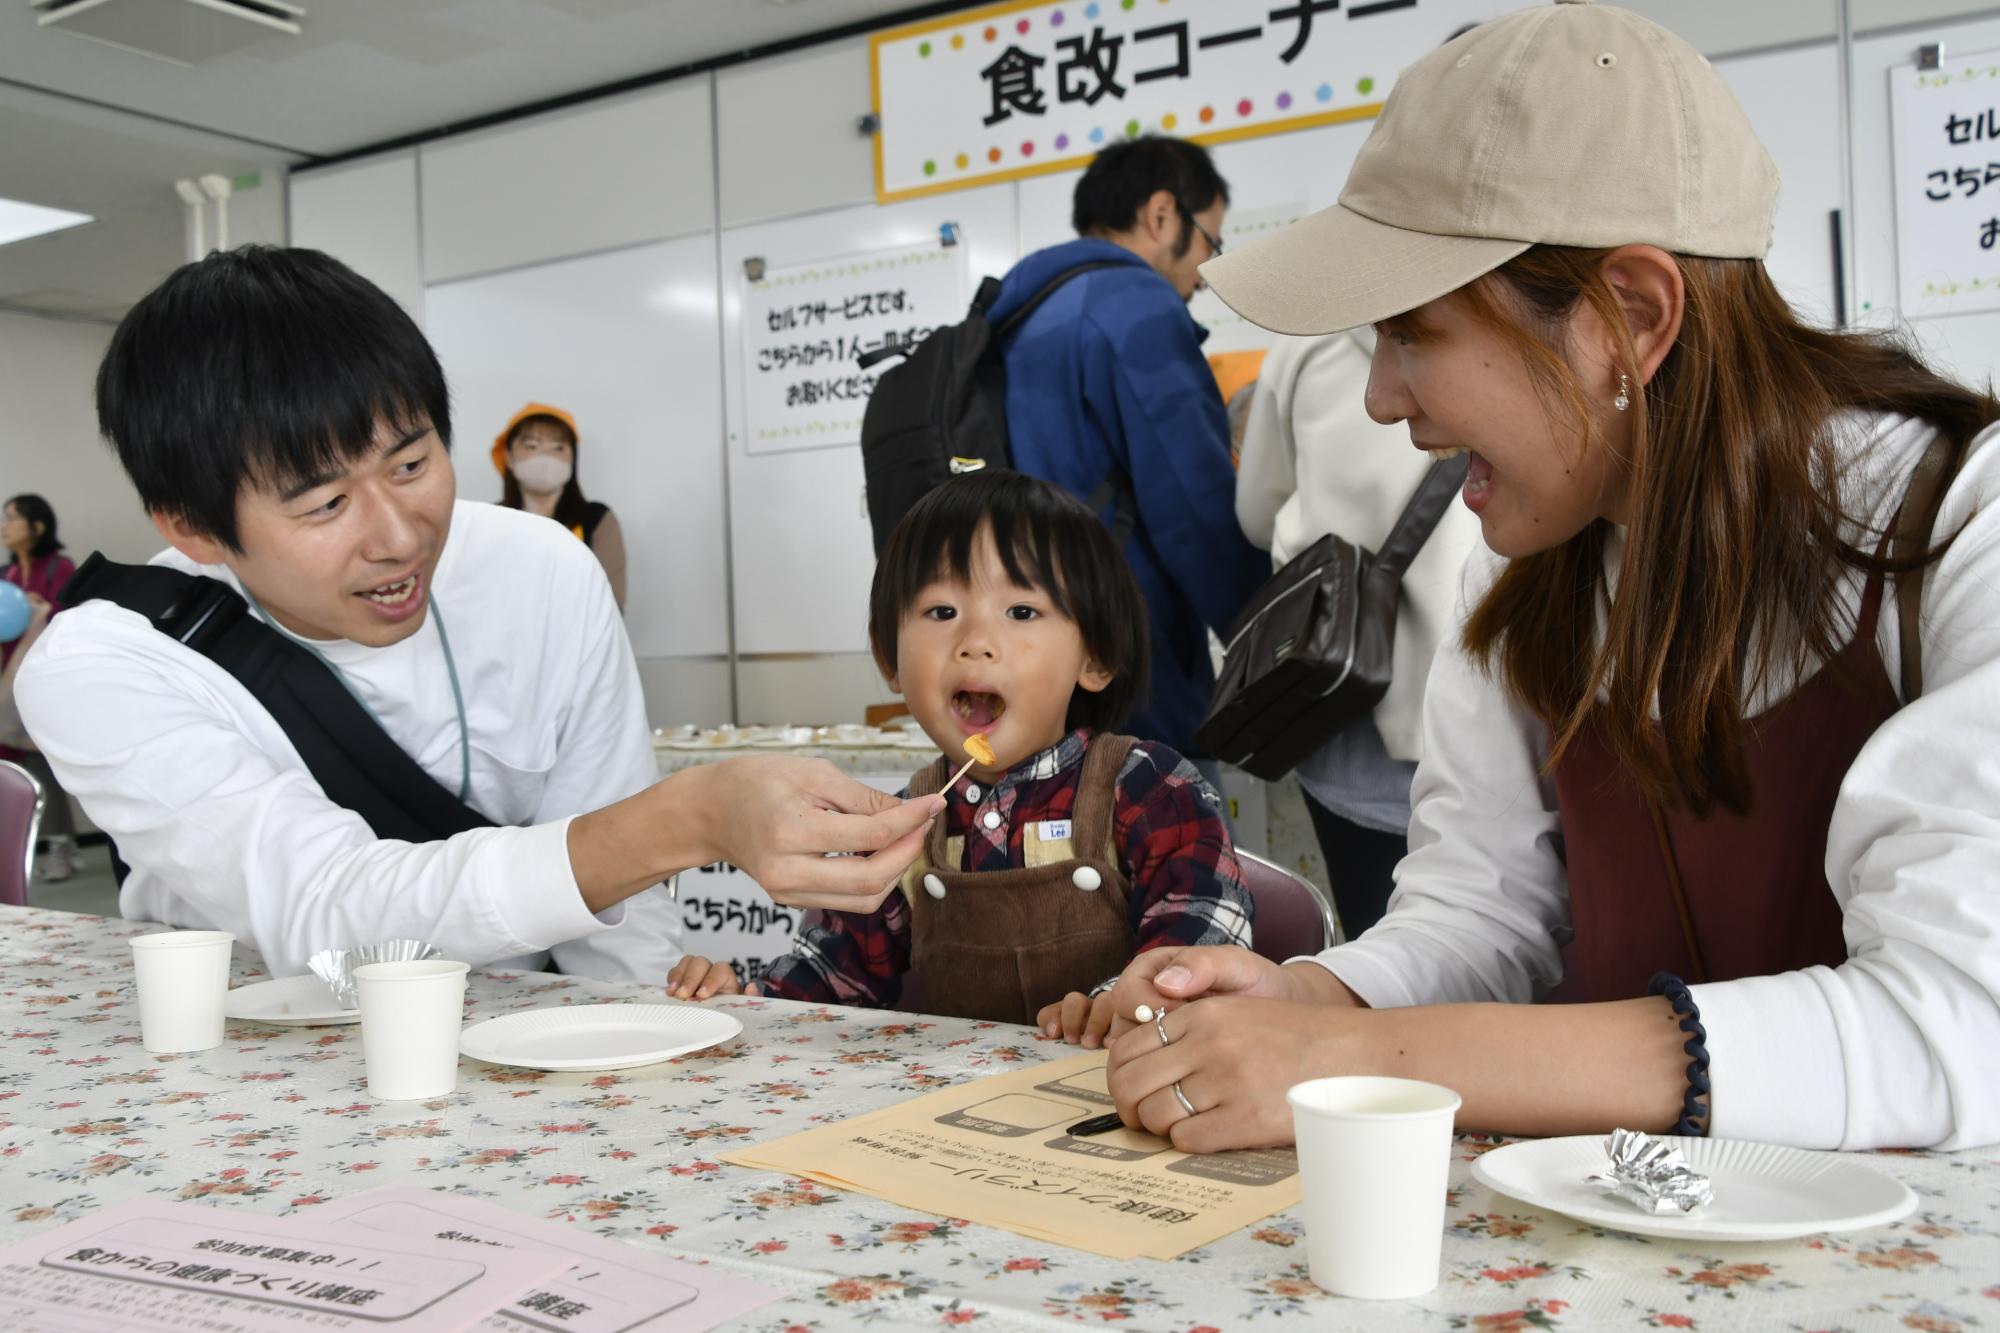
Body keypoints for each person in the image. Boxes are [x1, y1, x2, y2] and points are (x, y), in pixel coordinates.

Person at [1097, 1, 2000, 1155]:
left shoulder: (1958, 527)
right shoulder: (1518, 577)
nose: (1380, 396)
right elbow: (1481, 907)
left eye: (1412, 328)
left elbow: (1957, 1022)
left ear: (1626, 314)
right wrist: (1322, 1000)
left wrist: (1361, 1059)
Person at [15, 246, 941, 983]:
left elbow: (615, 914)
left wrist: (647, 1029)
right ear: (192, 525)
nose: (399, 536)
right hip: (256, 1041)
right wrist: (690, 816)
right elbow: (326, 917)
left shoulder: (543, 572)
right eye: (323, 505)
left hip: (512, 1027)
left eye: (412, 464)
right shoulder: (106, 663)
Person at [666, 472, 1253, 1044]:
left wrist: (1114, 1002)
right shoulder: (898, 829)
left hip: (1124, 1101)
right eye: (941, 612)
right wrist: (739, 999)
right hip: (949, 1119)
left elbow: (1201, 950)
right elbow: (833, 978)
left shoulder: (1153, 789)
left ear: (1094, 659)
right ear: (888, 658)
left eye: (1021, 612)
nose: (975, 640)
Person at [987, 136, 1269, 786]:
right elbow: (1195, 507)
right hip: (1135, 684)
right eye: (1209, 242)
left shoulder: (1022, 311)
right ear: (1162, 214)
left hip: (1026, 675)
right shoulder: (1131, 306)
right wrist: (1269, 635)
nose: (1204, 269)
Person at [1234, 334, 1480, 937]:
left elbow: (1256, 514)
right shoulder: (1507, 321)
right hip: (1487, 690)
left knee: (1381, 928)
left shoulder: (1303, 346)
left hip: (1348, 694)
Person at [1, 494, 81, 881]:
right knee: (13, 766)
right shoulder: (7, 576)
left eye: (12, 518)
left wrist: (41, 607)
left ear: (38, 526)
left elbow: (75, 618)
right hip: (8, 685)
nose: (4, 526)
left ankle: (62, 844)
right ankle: (25, 848)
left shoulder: (59, 568)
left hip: (48, 683)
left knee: (48, 764)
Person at [493, 404, 626, 612]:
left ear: (572, 458)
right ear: (508, 456)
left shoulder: (597, 520)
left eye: (558, 448)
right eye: (531, 446)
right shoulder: (491, 521)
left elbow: (611, 605)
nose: (546, 457)